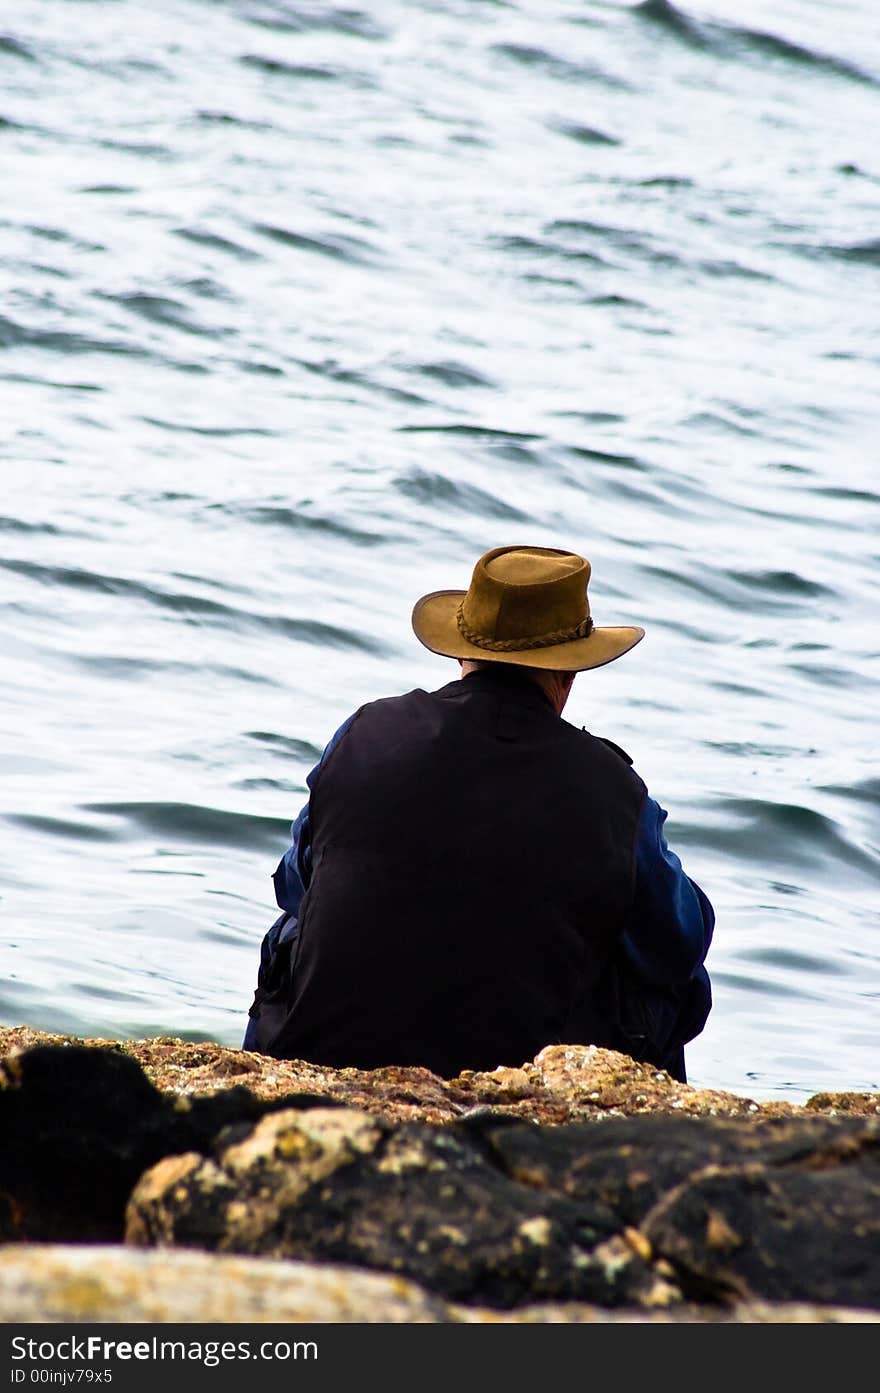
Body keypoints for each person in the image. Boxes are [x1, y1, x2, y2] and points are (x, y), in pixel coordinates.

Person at [243, 544, 713, 1083]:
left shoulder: (363, 732)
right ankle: (639, 1137)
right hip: (513, 1073)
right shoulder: (614, 791)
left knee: (294, 926)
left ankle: (268, 1081)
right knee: (678, 983)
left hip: (324, 1050)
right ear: (568, 676)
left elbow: (296, 883)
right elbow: (678, 943)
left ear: (461, 652)